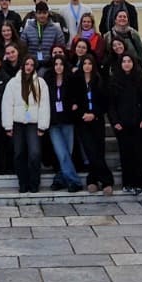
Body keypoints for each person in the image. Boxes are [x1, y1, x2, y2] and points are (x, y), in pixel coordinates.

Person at [3, 54, 51, 192]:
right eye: (26, 64)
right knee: (19, 153)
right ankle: (23, 183)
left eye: (31, 64)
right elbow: (7, 104)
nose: (29, 67)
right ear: (22, 66)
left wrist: (42, 125)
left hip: (33, 123)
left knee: (34, 153)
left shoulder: (40, 83)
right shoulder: (13, 82)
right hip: (17, 123)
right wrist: (8, 125)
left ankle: (34, 182)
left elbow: (44, 105)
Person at [108, 52, 142, 196]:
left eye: (129, 61)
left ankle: (140, 184)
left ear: (134, 63)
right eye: (124, 61)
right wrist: (115, 122)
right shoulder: (114, 80)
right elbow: (111, 105)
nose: (126, 63)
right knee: (126, 155)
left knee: (140, 154)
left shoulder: (141, 78)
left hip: (140, 124)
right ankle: (128, 183)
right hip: (122, 124)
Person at [43, 53, 83, 192]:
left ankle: (60, 179)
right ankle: (75, 181)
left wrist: (75, 104)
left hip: (67, 120)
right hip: (53, 122)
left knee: (67, 152)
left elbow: (78, 96)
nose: (58, 67)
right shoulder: (48, 80)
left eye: (61, 64)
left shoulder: (71, 79)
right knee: (61, 151)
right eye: (56, 64)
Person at [75, 54, 114, 194]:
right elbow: (73, 103)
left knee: (99, 150)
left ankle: (93, 180)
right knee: (90, 151)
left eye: (89, 63)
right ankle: (107, 180)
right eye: (84, 63)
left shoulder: (99, 80)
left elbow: (105, 103)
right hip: (83, 121)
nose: (87, 66)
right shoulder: (77, 81)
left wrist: (94, 114)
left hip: (97, 120)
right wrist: (82, 114)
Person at [21, 1, 64, 70]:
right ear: (35, 14)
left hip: (50, 65)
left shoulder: (56, 29)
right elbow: (22, 48)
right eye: (39, 13)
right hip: (31, 65)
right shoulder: (28, 29)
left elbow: (61, 48)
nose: (42, 16)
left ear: (48, 13)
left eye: (44, 13)